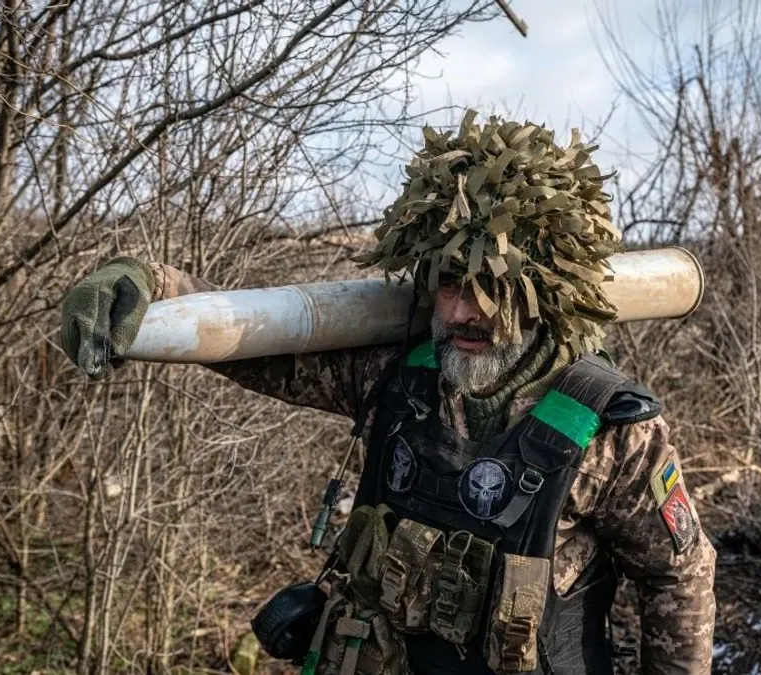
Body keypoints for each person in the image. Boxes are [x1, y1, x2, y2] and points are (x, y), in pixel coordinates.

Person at [58, 110, 717, 674]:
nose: (465, 313)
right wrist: (150, 283)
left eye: (494, 289)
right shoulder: (402, 378)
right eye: (452, 285)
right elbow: (262, 346)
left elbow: (678, 576)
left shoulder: (611, 429)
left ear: (544, 295)